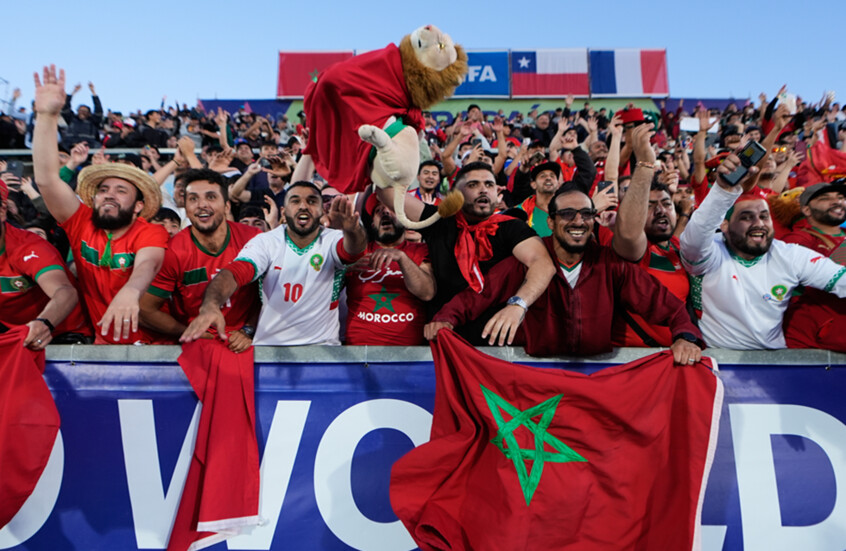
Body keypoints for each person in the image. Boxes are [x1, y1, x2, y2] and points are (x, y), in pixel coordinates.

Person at [425, 183, 703, 362]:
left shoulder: (611, 264)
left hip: (596, 377)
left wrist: (686, 337)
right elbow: (480, 295)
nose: (578, 221)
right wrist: (445, 319)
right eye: (568, 214)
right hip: (536, 375)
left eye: (586, 214)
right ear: (551, 221)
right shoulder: (529, 261)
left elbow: (666, 305)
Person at [32, 65, 169, 344]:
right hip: (102, 346)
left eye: (121, 191)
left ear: (138, 206)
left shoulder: (150, 231)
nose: (109, 195)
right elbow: (46, 180)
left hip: (155, 349)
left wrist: (131, 290)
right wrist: (46, 116)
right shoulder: (80, 221)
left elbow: (148, 265)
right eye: (103, 189)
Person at [376, 161, 555, 346]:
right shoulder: (438, 220)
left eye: (489, 184)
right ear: (456, 194)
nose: (483, 190)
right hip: (443, 338)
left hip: (496, 343)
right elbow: (387, 193)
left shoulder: (512, 226)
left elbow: (543, 264)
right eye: (473, 185)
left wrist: (518, 305)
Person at [679, 155, 846, 349]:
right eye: (746, 217)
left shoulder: (789, 255)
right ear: (724, 225)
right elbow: (695, 236)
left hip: (773, 360)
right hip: (720, 360)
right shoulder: (710, 254)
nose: (758, 223)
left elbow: (841, 280)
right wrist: (723, 190)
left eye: (764, 216)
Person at [181, 181, 367, 346]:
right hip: (270, 348)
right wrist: (211, 305)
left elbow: (353, 250)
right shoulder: (266, 242)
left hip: (321, 348)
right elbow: (235, 273)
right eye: (295, 201)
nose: (303, 206)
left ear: (321, 211)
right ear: (284, 212)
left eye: (311, 201)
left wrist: (352, 230)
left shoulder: (333, 239)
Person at [140, 169, 261, 351]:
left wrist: (248, 330)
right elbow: (146, 310)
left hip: (249, 339)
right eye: (193, 199)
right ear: (185, 208)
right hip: (198, 346)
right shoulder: (173, 251)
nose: (202, 205)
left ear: (227, 206)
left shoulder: (253, 239)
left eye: (211, 197)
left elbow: (272, 294)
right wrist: (188, 331)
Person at [610, 124, 695, 347]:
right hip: (631, 360)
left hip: (678, 355)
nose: (660, 210)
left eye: (667, 204)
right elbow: (629, 233)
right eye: (650, 205)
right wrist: (645, 165)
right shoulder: (635, 251)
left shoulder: (677, 247)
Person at [0, 178, 91, 349]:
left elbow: (64, 291)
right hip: (13, 332)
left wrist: (44, 323)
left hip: (61, 332)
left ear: (2, 211)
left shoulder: (28, 247)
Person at [345, 196, 435, 345]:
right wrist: (345, 269)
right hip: (358, 350)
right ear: (372, 224)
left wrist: (402, 258)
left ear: (405, 219)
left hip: (408, 352)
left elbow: (427, 293)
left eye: (392, 209)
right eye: (378, 210)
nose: (385, 212)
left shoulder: (420, 250)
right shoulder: (358, 252)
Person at [781, 180, 846, 351]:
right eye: (825, 198)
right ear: (806, 210)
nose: (837, 202)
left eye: (841, 197)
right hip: (813, 335)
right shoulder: (796, 241)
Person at [515, 161, 562, 237]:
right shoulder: (521, 212)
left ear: (558, 185)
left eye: (552, 176)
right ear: (533, 184)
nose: (548, 178)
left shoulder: (566, 211)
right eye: (542, 176)